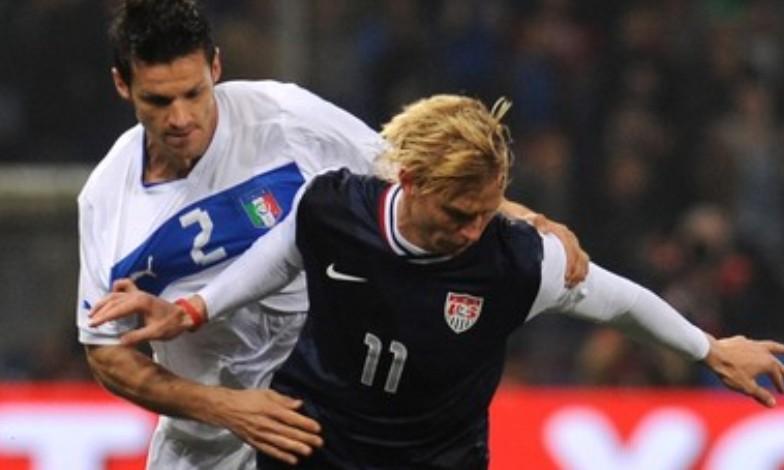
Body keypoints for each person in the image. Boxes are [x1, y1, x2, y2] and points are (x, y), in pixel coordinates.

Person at [90, 94, 784, 469]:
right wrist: (194, 308)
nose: (473, 230)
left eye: (488, 212)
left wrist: (710, 349)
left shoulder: (515, 260)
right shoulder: (334, 206)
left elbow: (618, 300)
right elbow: (281, 254)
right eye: (460, 215)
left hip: (436, 459)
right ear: (410, 180)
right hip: (315, 445)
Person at [76, 1, 590, 468]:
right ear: (122, 84)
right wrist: (227, 408)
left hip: (326, 421)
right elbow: (106, 353)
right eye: (159, 100)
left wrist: (521, 216)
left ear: (215, 67)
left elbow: (412, 174)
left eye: (193, 93)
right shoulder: (107, 200)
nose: (181, 117)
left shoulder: (286, 119)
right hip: (204, 441)